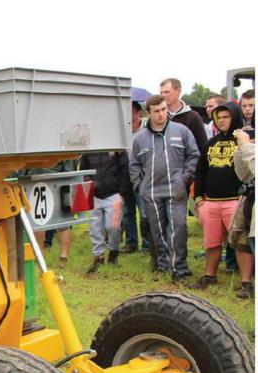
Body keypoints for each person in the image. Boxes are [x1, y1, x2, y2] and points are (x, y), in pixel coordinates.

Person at [130, 95, 199, 282]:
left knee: (178, 228)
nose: (161, 114)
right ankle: (163, 266)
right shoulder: (139, 139)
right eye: (156, 111)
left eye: (163, 110)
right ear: (149, 113)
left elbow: (194, 155)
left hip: (176, 190)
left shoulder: (181, 131)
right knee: (158, 231)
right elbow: (134, 164)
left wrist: (185, 178)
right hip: (152, 192)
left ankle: (180, 270)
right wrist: (139, 185)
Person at [193, 102, 253, 292]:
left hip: (235, 200)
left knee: (241, 244)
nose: (221, 120)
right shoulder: (211, 142)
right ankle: (210, 276)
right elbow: (200, 171)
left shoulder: (245, 141)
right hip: (210, 202)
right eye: (218, 117)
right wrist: (199, 199)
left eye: (225, 116)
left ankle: (246, 283)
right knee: (211, 242)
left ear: (234, 117)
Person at [81, 151, 129, 273]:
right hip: (94, 195)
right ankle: (98, 257)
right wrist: (88, 187)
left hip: (113, 194)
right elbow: (84, 170)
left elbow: (125, 169)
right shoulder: (89, 149)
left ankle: (113, 252)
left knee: (113, 227)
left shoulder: (117, 147)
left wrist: (122, 193)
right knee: (95, 228)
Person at [228, 128, 255, 298]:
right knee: (243, 241)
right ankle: (247, 283)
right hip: (250, 202)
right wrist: (241, 149)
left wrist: (246, 145)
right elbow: (243, 174)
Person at [121, 101, 150, 254]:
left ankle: (147, 245)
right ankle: (131, 243)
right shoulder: (121, 132)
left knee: (145, 213)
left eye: (130, 110)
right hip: (125, 179)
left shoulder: (146, 132)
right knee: (127, 212)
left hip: (142, 178)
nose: (128, 114)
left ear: (138, 113)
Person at [160, 78, 208, 154]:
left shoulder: (193, 117)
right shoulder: (158, 117)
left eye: (166, 92)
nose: (163, 95)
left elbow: (202, 147)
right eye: (161, 93)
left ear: (178, 91)